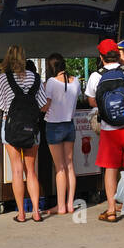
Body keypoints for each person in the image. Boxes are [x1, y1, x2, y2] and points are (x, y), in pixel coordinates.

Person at [87, 39, 124, 222]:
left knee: (110, 169)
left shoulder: (95, 76)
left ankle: (111, 210)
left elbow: (92, 101)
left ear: (101, 56)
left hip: (108, 129)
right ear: (118, 54)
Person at [0, 45, 48, 222]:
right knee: (31, 171)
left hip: (11, 127)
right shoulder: (35, 78)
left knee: (17, 171)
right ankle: (37, 213)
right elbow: (42, 104)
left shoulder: (2, 79)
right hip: (32, 128)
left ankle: (21, 214)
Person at [43, 52, 81, 215]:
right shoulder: (76, 82)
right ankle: (70, 204)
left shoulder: (51, 82)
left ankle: (61, 206)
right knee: (70, 165)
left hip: (53, 125)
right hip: (69, 125)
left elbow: (45, 106)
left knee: (59, 167)